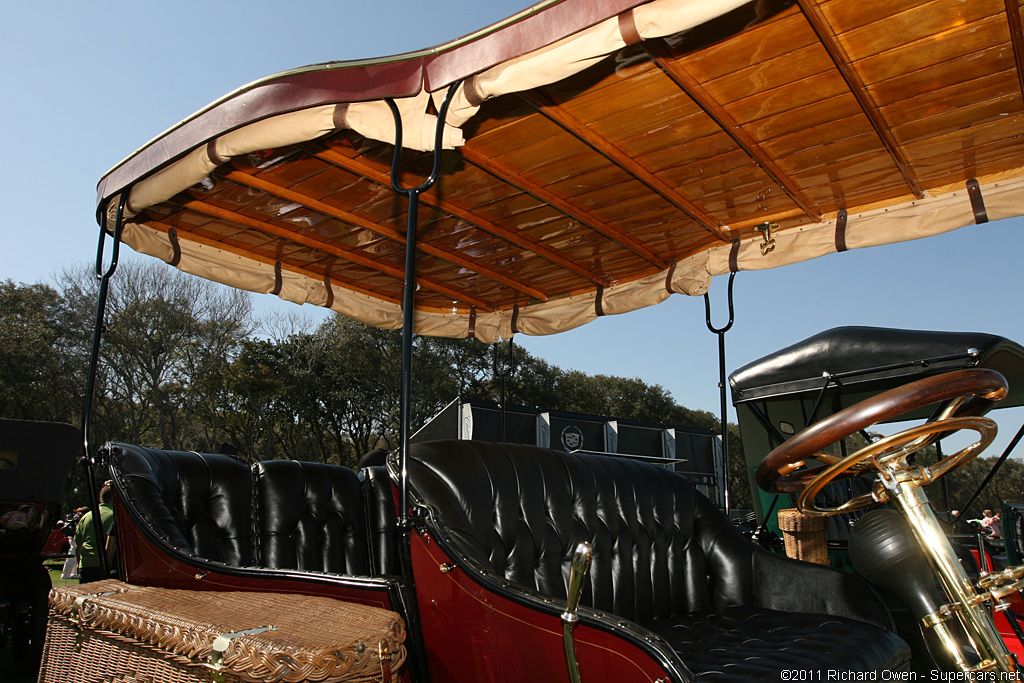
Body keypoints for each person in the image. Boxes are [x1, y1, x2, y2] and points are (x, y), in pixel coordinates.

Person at [74, 484, 115, 582]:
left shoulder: (86, 516)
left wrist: (79, 563)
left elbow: (78, 545)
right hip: (105, 564)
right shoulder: (115, 516)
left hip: (86, 564)